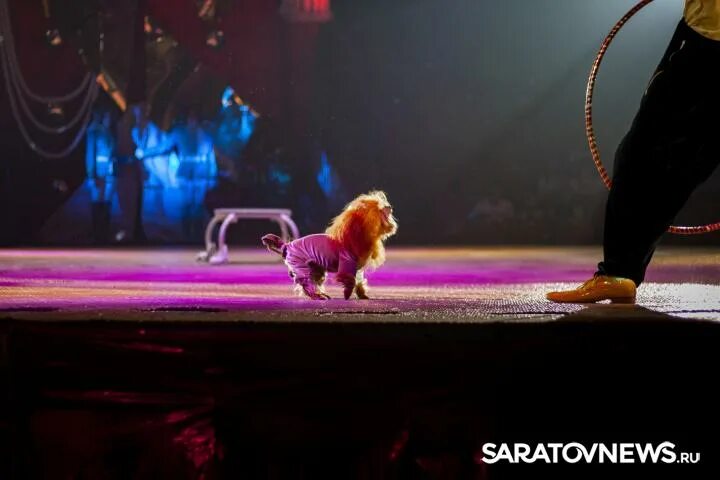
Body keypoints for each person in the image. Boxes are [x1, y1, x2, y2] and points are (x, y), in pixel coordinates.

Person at [547, 1, 720, 303]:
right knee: (685, 164)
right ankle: (620, 271)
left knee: (641, 154)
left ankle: (618, 271)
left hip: (705, 44)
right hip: (705, 36)